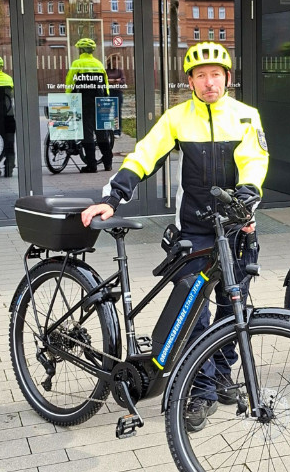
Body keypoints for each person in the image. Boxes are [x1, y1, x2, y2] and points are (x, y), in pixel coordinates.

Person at [81, 42, 269, 431]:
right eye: (200, 75)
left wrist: (246, 201)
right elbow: (145, 154)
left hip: (234, 227)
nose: (209, 81)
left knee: (233, 307)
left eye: (216, 74)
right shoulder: (177, 117)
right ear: (190, 82)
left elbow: (254, 161)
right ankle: (200, 391)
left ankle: (220, 375)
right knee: (195, 314)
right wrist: (113, 197)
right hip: (196, 230)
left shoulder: (246, 117)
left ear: (228, 78)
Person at [66, 38, 113, 173]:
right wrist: (106, 98)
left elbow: (70, 83)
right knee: (102, 133)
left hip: (85, 102)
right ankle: (108, 163)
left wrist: (68, 98)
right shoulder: (98, 64)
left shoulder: (77, 64)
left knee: (87, 133)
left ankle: (91, 165)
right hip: (100, 101)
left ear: (81, 50)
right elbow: (106, 84)